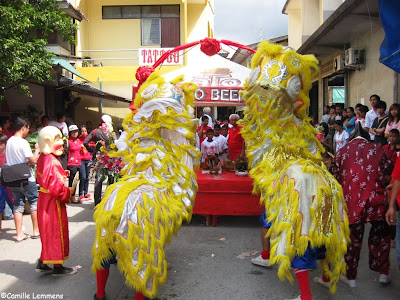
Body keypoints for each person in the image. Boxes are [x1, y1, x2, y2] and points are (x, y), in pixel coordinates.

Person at [334, 123, 392, 287]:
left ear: (351, 139)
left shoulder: (342, 152)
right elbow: (388, 172)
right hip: (377, 198)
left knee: (353, 239)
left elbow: (335, 177)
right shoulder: (379, 149)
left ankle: (351, 277)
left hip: (353, 202)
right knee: (381, 235)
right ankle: (383, 273)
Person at [35, 126, 78, 276]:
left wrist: (62, 174)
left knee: (48, 232)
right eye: (57, 139)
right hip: (52, 203)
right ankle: (57, 267)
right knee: (55, 232)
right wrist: (69, 192)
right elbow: (56, 188)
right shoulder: (51, 161)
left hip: (45, 199)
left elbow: (48, 179)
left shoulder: (43, 157)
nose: (61, 142)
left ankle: (43, 261)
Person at [5, 116, 40, 242]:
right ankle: (36, 231)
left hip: (13, 178)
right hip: (26, 178)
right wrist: (37, 150)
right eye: (27, 129)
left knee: (17, 205)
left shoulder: (9, 142)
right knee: (34, 202)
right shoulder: (23, 142)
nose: (27, 132)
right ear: (23, 127)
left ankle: (19, 234)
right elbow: (33, 160)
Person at [83, 115, 112, 206]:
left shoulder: (95, 132)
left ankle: (97, 202)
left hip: (98, 158)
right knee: (111, 179)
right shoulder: (110, 133)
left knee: (98, 179)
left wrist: (92, 150)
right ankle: (110, 199)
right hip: (110, 158)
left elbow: (85, 142)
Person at [0, 133, 13, 231]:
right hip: (1, 184)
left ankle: (18, 226)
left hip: (8, 183)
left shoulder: (8, 155)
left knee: (13, 204)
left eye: (2, 143)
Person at [67, 125, 82, 204]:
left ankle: (73, 195)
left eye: (76, 131)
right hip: (71, 163)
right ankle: (71, 196)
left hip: (79, 162)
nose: (75, 133)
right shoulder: (68, 141)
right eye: (73, 132)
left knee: (76, 180)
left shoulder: (79, 141)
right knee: (72, 180)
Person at [78, 125, 92, 201]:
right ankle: (80, 193)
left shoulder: (89, 138)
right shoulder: (78, 139)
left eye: (85, 131)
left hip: (88, 159)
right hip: (81, 159)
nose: (84, 132)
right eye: (82, 131)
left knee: (87, 177)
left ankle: (86, 192)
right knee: (82, 177)